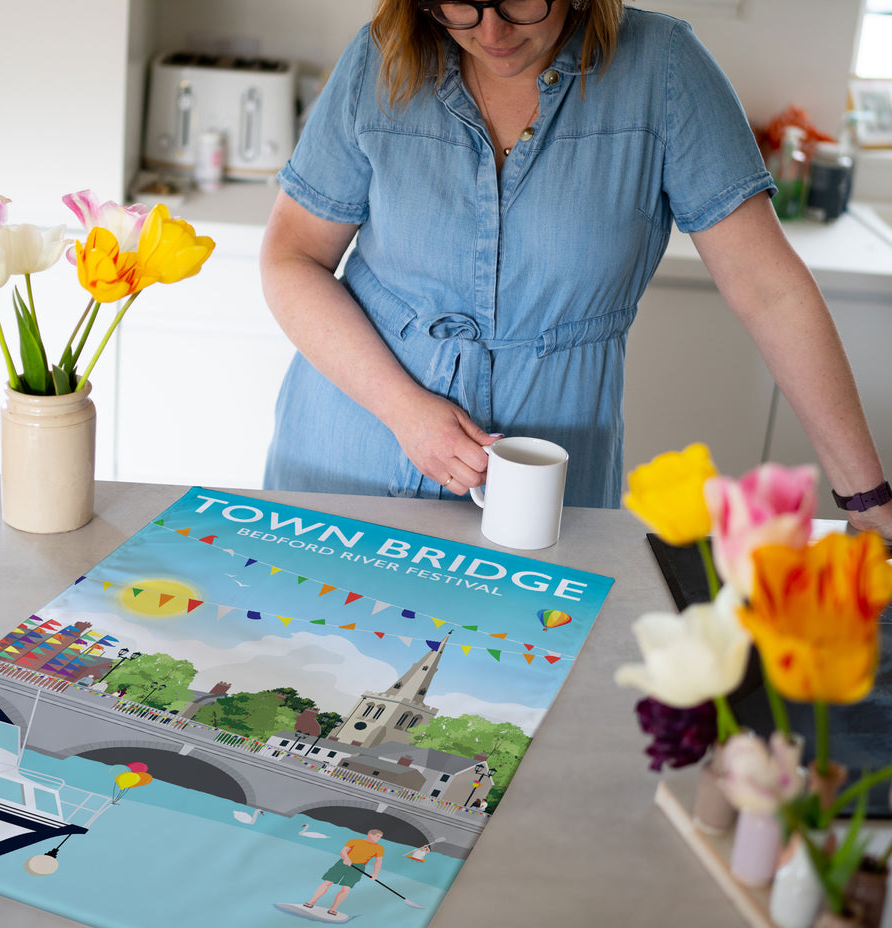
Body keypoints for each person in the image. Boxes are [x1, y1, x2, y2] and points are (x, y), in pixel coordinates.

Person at [260, 0, 892, 541]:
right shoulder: (382, 57)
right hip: (348, 455)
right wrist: (402, 410)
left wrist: (868, 501)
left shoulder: (663, 70)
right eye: (459, 3)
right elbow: (292, 257)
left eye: (520, 2)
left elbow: (771, 292)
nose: (492, 32)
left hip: (547, 491)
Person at [304, 827, 385, 915]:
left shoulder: (379, 848)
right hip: (343, 863)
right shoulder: (355, 841)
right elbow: (343, 851)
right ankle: (312, 901)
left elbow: (378, 861)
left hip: (359, 867)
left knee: (346, 888)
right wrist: (346, 859)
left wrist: (375, 874)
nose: (379, 838)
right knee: (327, 882)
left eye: (380, 837)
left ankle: (334, 908)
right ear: (370, 834)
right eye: (377, 836)